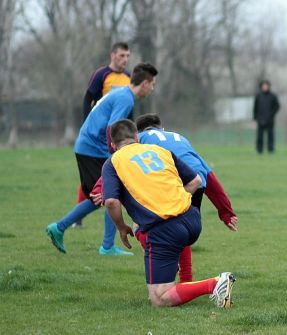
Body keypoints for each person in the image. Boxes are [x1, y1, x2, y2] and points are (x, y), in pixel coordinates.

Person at [102, 119, 235, 307]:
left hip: (164, 230)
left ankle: (215, 284)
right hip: (192, 219)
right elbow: (196, 181)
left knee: (159, 298)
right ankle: (177, 273)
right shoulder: (162, 151)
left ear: (113, 145)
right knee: (144, 227)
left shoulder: (113, 162)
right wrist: (177, 199)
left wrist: (121, 227)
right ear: (137, 137)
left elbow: (111, 201)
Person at [45, 63, 158, 256]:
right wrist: (115, 157)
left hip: (88, 147)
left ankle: (62, 228)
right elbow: (111, 128)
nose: (153, 88)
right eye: (153, 84)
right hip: (93, 149)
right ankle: (104, 246)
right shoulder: (126, 99)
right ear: (145, 83)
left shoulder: (123, 94)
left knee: (101, 196)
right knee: (109, 194)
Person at [73, 42, 131, 228]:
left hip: (116, 135)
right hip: (97, 137)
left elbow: (127, 111)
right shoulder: (101, 74)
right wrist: (86, 124)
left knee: (105, 180)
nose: (125, 59)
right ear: (113, 55)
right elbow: (87, 99)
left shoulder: (129, 78)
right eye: (122, 55)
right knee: (102, 182)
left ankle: (106, 238)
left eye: (128, 56)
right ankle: (76, 219)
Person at [253, 79, 280, 154]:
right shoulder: (258, 96)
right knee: (259, 136)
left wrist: (272, 114)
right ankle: (259, 150)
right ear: (261, 87)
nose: (265, 87)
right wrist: (255, 117)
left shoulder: (272, 96)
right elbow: (255, 107)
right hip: (260, 119)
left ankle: (270, 150)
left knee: (270, 136)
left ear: (268, 86)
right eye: (263, 86)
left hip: (270, 120)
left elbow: (277, 106)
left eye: (266, 86)